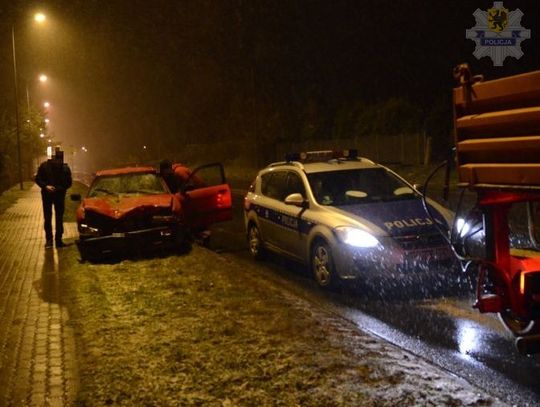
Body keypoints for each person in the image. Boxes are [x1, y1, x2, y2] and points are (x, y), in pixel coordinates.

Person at [35, 148, 72, 248]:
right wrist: (46, 186)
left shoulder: (65, 168)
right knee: (48, 218)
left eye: (60, 160)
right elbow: (37, 179)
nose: (59, 162)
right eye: (57, 160)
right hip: (47, 195)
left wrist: (58, 188)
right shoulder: (44, 166)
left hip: (59, 196)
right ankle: (49, 240)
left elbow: (69, 182)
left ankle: (58, 240)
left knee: (59, 218)